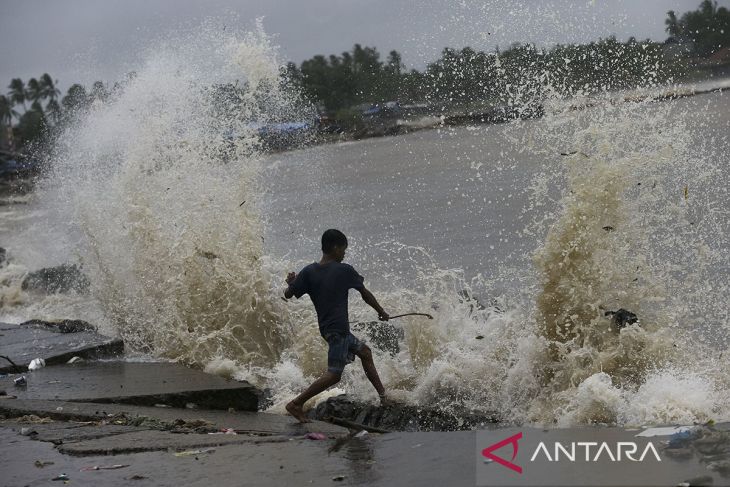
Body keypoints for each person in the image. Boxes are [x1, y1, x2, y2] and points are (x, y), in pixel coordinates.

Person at [283, 229, 390, 423]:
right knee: (333, 375)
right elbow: (364, 293)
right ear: (334, 248)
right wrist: (381, 311)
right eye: (343, 249)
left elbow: (288, 295)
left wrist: (291, 283)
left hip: (331, 330)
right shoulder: (344, 270)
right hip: (338, 331)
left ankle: (383, 397)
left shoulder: (308, 272)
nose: (344, 253)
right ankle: (296, 404)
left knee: (365, 353)